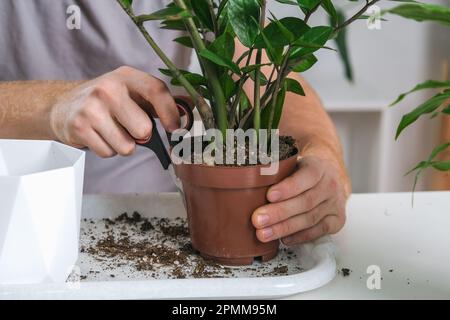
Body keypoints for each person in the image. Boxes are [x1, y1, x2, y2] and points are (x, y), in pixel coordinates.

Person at [0, 0, 350, 246]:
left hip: (153, 215)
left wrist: (321, 152)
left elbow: (264, 69)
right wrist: (51, 106)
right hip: (13, 210)